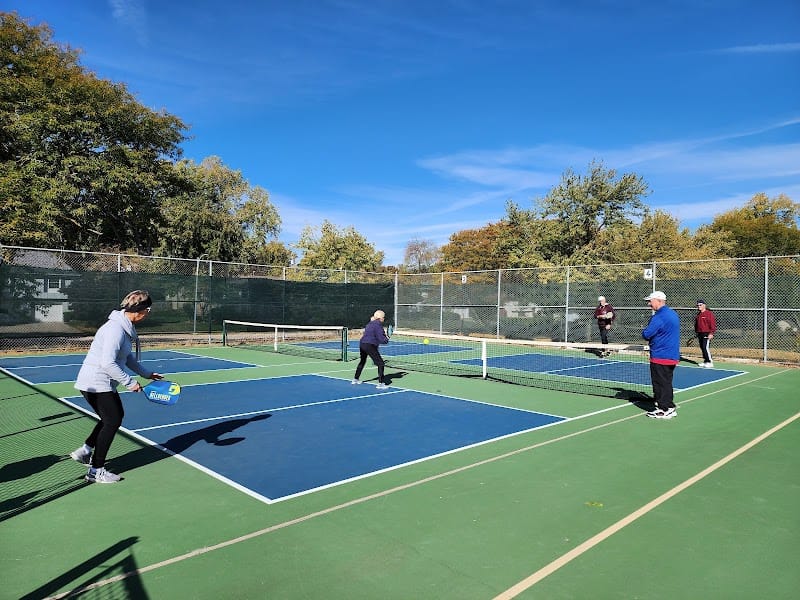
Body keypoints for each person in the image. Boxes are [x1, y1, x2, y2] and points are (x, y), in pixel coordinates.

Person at [70, 290, 163, 483]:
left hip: (98, 382)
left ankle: (86, 451)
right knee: (112, 420)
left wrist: (146, 374)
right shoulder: (115, 330)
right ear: (139, 310)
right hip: (96, 382)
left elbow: (127, 357)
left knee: (110, 418)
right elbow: (108, 363)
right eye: (148, 309)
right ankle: (96, 470)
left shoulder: (124, 326)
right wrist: (130, 383)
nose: (148, 313)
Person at [642, 291, 680, 419]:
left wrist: (645, 331)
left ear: (658, 300)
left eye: (650, 301)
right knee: (666, 383)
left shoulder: (659, 317)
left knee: (660, 384)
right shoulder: (672, 314)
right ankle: (669, 406)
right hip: (671, 355)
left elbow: (646, 334)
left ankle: (664, 409)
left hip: (660, 356)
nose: (649, 304)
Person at [352, 309, 390, 390]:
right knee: (381, 363)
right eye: (384, 317)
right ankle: (381, 383)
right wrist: (387, 339)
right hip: (369, 345)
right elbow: (381, 339)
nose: (384, 319)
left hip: (362, 344)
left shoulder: (370, 324)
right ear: (381, 318)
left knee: (362, 361)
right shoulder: (378, 325)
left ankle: (355, 379)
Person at [694, 299, 717, 368]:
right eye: (697, 305)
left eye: (700, 305)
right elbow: (697, 325)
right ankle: (706, 361)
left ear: (704, 305)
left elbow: (713, 324)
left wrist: (711, 333)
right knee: (702, 347)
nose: (699, 306)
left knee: (705, 347)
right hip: (700, 333)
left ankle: (710, 362)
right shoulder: (698, 315)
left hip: (707, 333)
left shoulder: (709, 314)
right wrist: (697, 332)